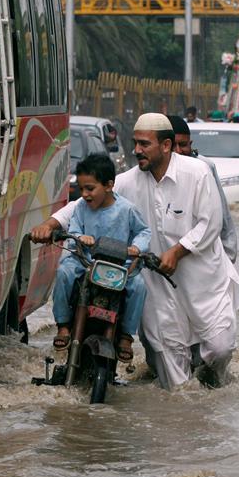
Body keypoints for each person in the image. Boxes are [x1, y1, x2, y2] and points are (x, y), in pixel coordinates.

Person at [32, 113, 239, 390]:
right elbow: (83, 204)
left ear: (166, 146)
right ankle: (185, 411)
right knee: (172, 372)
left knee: (219, 348)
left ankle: (212, 383)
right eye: (135, 143)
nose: (137, 150)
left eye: (144, 144)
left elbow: (211, 223)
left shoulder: (197, 173)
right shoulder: (129, 181)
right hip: (158, 285)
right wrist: (50, 224)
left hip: (204, 282)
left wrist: (177, 251)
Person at [51, 154, 151, 363]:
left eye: (90, 188)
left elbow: (144, 232)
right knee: (63, 272)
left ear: (108, 185)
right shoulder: (80, 207)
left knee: (139, 286)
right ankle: (63, 325)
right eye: (81, 189)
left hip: (118, 266)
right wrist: (80, 237)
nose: (84, 194)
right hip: (84, 262)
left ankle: (126, 336)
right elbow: (74, 230)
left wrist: (136, 247)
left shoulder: (127, 209)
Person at [167, 115, 238, 263]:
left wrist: (228, 258)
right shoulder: (151, 170)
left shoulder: (204, 167)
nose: (178, 151)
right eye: (173, 146)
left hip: (202, 257)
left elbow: (222, 218)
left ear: (190, 144)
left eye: (183, 145)